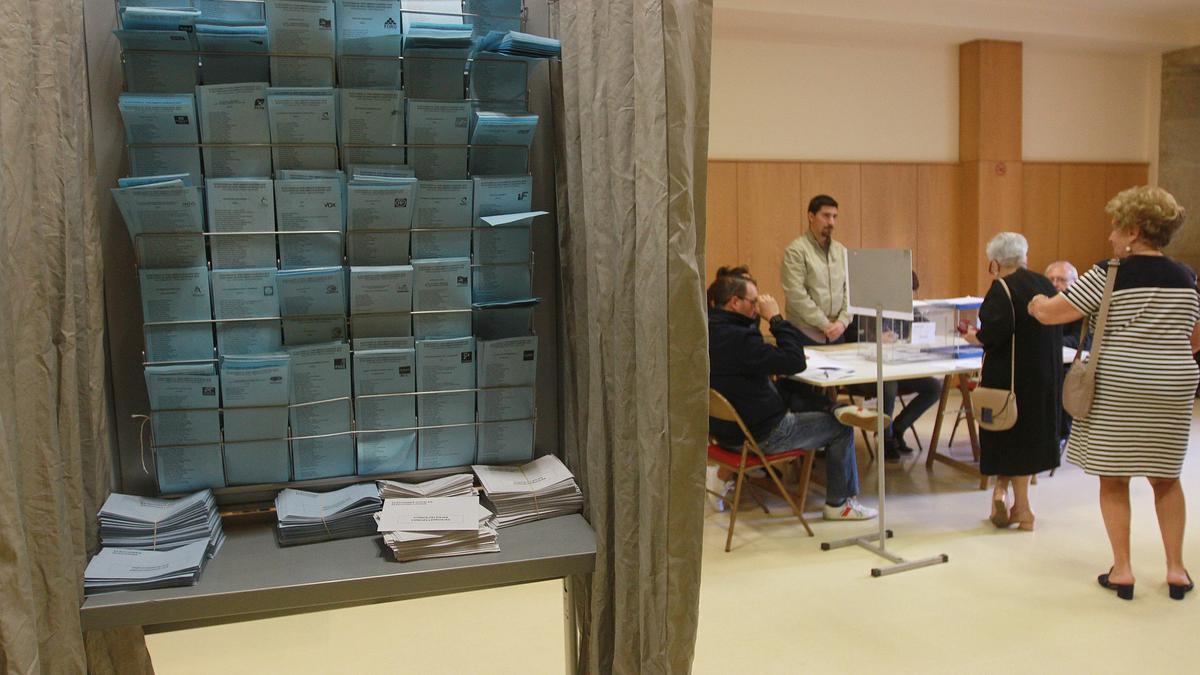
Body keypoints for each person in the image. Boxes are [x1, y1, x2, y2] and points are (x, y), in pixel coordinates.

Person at [1029, 186, 1198, 600]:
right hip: (1175, 383)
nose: (1110, 237)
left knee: (1114, 477)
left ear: (1135, 229)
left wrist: (1033, 300)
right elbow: (1194, 340)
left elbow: (1053, 313)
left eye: (1117, 227)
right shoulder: (1186, 277)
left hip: (1121, 382)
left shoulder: (1111, 271)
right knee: (1167, 478)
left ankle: (1122, 570)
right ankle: (1176, 570)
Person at [708, 265, 878, 521]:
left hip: (723, 432)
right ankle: (839, 504)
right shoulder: (741, 340)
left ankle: (837, 408)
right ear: (734, 302)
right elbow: (795, 361)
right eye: (753, 302)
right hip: (763, 434)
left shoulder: (707, 330)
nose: (757, 308)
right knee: (842, 430)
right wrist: (776, 319)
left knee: (790, 390)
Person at [780, 195, 939, 461]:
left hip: (838, 330)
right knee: (810, 390)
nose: (831, 221)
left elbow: (850, 292)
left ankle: (888, 433)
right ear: (811, 216)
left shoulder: (842, 251)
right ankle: (813, 443)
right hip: (807, 330)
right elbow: (796, 295)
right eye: (825, 216)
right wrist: (824, 323)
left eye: (835, 217)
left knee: (907, 385)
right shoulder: (796, 251)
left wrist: (841, 321)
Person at [962, 232, 1062, 531]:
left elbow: (991, 334)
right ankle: (1010, 499)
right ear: (1024, 255)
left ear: (994, 263)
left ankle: (1023, 509)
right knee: (1028, 442)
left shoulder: (1001, 289)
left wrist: (971, 337)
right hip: (1043, 377)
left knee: (1009, 441)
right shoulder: (1044, 284)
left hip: (1010, 381)